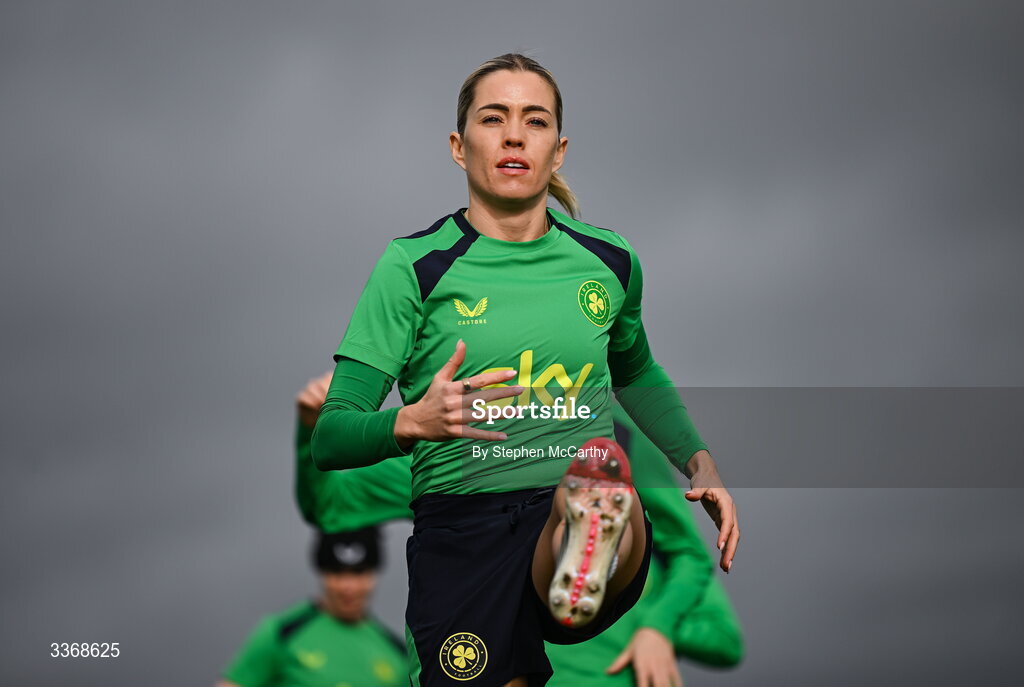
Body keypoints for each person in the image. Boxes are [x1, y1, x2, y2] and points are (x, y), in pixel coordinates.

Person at [310, 54, 739, 687]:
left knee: (586, 497)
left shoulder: (608, 262)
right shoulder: (413, 267)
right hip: (461, 531)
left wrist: (702, 466)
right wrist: (410, 421)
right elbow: (330, 435)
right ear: (460, 147)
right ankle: (582, 536)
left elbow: (638, 373)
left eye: (534, 121)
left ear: (557, 150)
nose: (514, 135)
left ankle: (589, 528)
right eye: (494, 118)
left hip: (564, 494)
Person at [296, 373, 744, 687]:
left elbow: (332, 507)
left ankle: (584, 527)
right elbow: (332, 508)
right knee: (606, 487)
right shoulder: (446, 432)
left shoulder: (446, 434)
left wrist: (656, 629)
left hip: (491, 650)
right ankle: (588, 533)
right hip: (580, 652)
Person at [217, 527, 407, 687]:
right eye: (337, 572)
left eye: (359, 573)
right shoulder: (282, 634)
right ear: (322, 572)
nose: (348, 586)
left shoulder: (398, 653)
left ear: (374, 575)